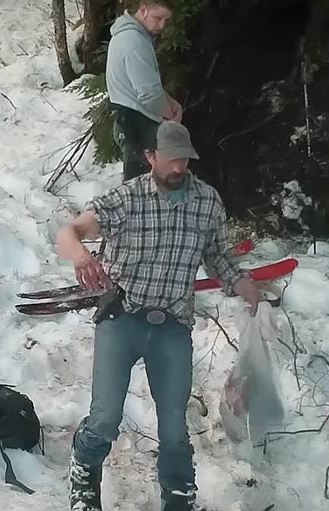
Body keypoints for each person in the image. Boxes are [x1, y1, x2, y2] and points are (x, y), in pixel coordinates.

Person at [58, 121, 266, 511]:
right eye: (171, 160)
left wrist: (242, 283)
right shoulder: (127, 199)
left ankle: (178, 497)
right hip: (122, 316)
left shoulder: (207, 201)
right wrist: (83, 256)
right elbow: (69, 232)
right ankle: (84, 479)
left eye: (184, 161)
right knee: (105, 417)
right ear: (150, 157)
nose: (178, 169)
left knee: (174, 426)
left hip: (172, 324)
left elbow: (217, 256)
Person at [106, 0, 183, 182]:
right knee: (140, 188)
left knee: (139, 185)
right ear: (144, 10)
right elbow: (150, 95)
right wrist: (171, 115)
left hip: (131, 120)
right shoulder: (135, 43)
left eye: (166, 20)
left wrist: (171, 102)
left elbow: (147, 83)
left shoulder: (128, 36)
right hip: (138, 124)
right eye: (158, 18)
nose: (162, 25)